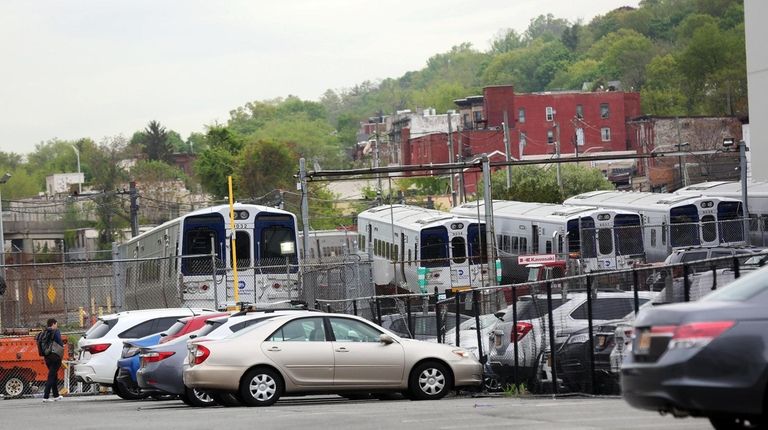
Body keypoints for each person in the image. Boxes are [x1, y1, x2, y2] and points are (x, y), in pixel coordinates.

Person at [42, 318, 64, 402]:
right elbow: (59, 342)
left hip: (47, 356)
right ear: (53, 324)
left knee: (54, 375)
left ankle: (56, 395)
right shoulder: (56, 331)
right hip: (55, 356)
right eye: (56, 324)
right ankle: (46, 396)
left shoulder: (44, 332)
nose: (57, 325)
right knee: (51, 376)